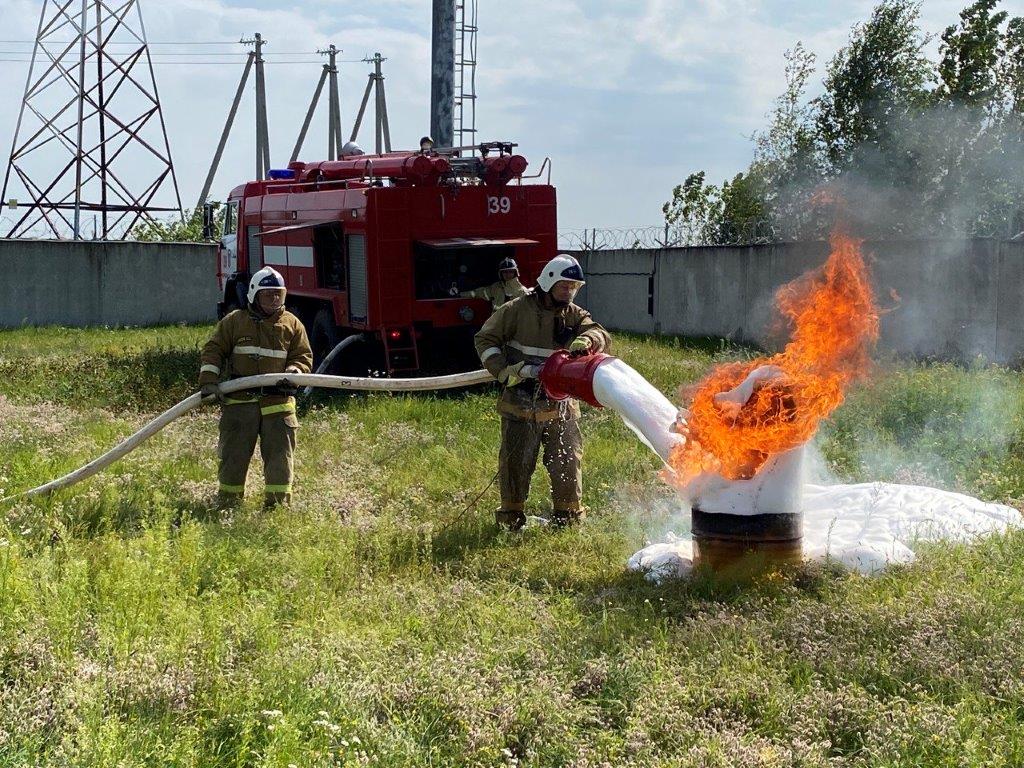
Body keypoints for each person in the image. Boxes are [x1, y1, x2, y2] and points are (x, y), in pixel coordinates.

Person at [474, 254, 611, 530]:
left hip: (561, 406)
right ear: (548, 282)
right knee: (516, 464)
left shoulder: (574, 315)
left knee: (567, 462)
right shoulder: (516, 310)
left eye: (574, 287)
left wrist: (590, 339)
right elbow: (485, 339)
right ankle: (510, 522)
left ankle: (568, 520)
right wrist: (504, 371)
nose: (569, 292)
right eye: (564, 286)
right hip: (520, 402)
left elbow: (600, 333)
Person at [198, 267, 313, 508]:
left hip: (278, 405)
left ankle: (277, 507)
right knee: (233, 457)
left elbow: (303, 356)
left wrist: (295, 371)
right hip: (240, 404)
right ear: (253, 295)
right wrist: (209, 381)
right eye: (268, 294)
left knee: (280, 459)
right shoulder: (234, 322)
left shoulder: (292, 324)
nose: (273, 299)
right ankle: (228, 505)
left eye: (278, 295)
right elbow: (214, 350)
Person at [460, 257, 528, 311]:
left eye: (510, 272)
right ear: (500, 274)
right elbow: (480, 293)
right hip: (497, 325)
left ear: (515, 273)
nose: (508, 274)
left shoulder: (522, 291)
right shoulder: (496, 287)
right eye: (505, 272)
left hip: (513, 326)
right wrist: (461, 294)